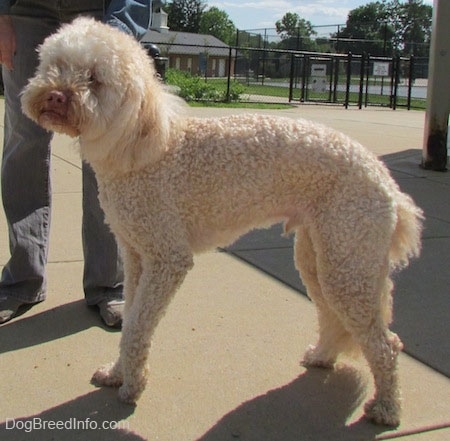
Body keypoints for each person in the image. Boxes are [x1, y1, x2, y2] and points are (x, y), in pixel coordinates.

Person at [0, 0, 152, 326]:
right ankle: (22, 279)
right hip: (25, 9)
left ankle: (110, 283)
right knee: (22, 143)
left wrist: (116, 38)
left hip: (101, 9)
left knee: (105, 152)